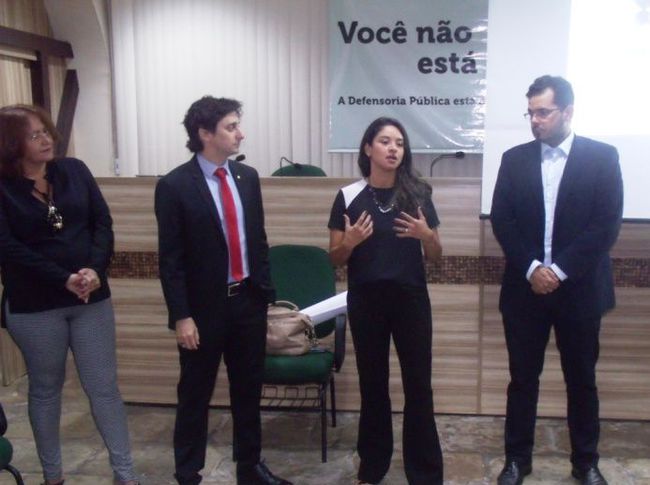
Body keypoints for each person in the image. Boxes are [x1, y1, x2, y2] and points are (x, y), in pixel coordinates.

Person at [491, 75, 623, 485]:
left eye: (543, 112)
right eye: (530, 113)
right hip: (525, 290)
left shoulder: (602, 157)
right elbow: (503, 220)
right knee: (522, 380)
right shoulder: (514, 159)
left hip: (579, 290)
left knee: (581, 380)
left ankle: (585, 462)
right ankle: (517, 460)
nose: (535, 120)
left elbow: (606, 225)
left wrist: (559, 271)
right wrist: (533, 269)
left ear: (567, 111)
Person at [154, 96, 291, 485]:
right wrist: (182, 316)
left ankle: (250, 467)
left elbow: (258, 241)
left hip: (247, 302)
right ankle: (188, 473)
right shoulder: (174, 186)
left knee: (248, 390)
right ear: (204, 133)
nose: (240, 134)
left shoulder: (247, 178)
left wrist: (264, 294)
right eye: (231, 127)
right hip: (202, 311)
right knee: (195, 394)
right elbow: (171, 260)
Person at [0, 105, 139, 485]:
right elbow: (7, 247)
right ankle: (53, 476)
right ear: (11, 144)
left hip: (90, 299)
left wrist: (95, 269)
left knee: (104, 388)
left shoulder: (74, 171)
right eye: (34, 135)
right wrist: (63, 278)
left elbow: (102, 223)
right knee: (46, 389)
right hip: (35, 305)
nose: (46, 139)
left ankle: (126, 475)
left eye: (46, 131)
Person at [328, 117, 444, 485]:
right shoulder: (348, 196)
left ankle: (424, 473)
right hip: (367, 303)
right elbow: (334, 258)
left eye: (399, 143)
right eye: (385, 141)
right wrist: (350, 243)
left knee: (418, 386)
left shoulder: (418, 194)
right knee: (373, 386)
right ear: (368, 148)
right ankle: (372, 467)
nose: (393, 149)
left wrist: (426, 236)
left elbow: (437, 256)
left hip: (411, 302)